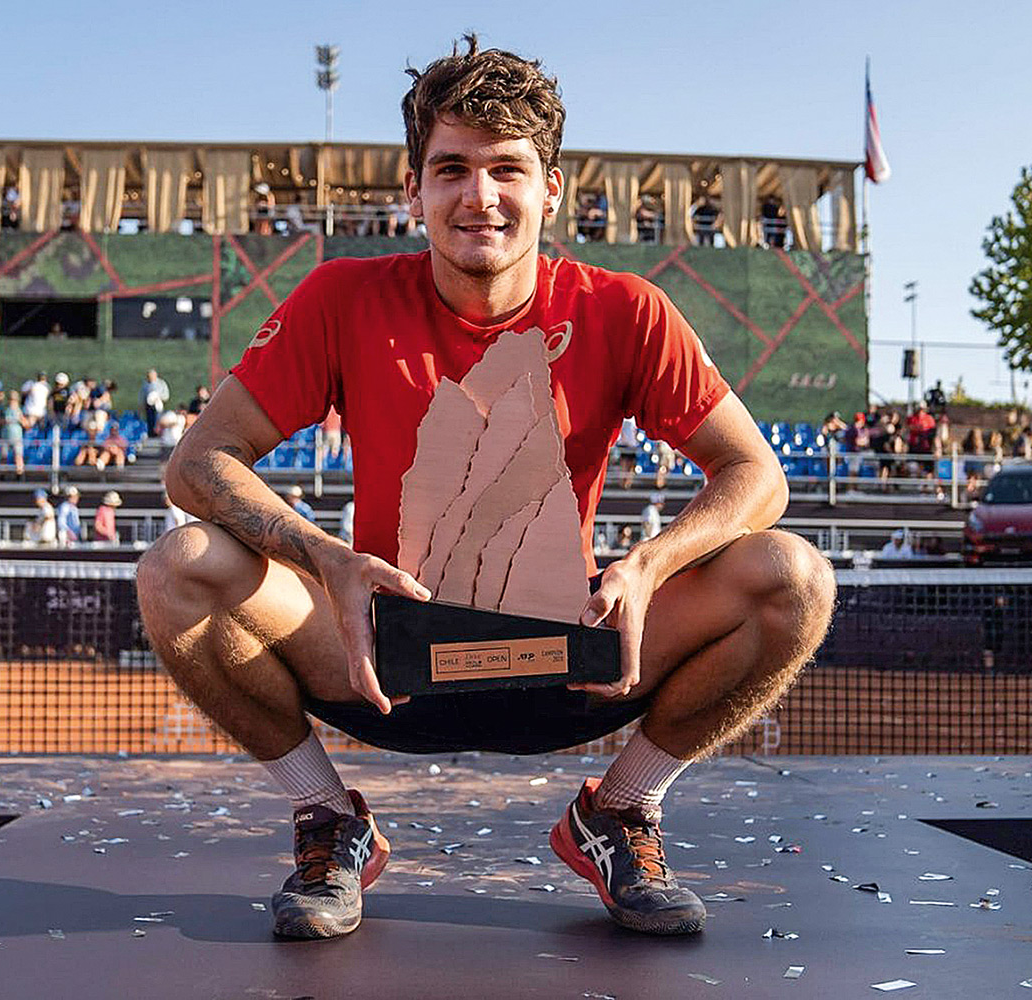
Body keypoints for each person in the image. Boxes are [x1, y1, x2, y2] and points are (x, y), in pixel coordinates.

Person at [136, 36, 833, 943]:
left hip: (565, 664)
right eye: (451, 168)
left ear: (551, 187)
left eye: (507, 167)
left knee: (795, 577)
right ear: (413, 188)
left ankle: (619, 812)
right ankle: (327, 821)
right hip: (382, 665)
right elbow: (197, 463)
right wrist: (329, 558)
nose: (480, 195)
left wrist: (651, 565)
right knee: (179, 568)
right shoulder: (342, 298)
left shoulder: (624, 309)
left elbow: (757, 473)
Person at [0, 389, 27, 477]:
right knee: (4, 457)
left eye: (14, 400)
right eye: (11, 399)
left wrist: (21, 419)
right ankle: (3, 475)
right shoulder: (5, 410)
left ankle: (19, 474)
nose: (12, 402)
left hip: (17, 437)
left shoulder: (21, 410)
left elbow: (26, 424)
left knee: (18, 456)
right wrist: (4, 421)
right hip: (5, 436)